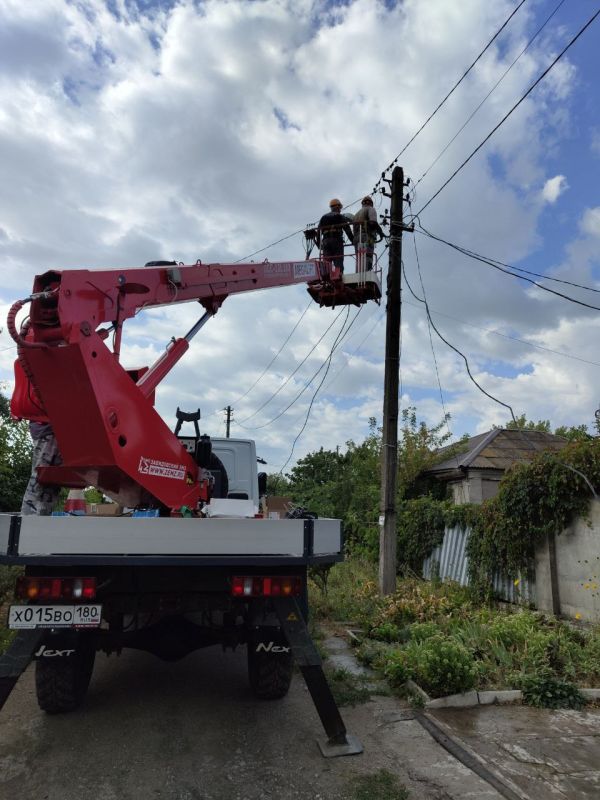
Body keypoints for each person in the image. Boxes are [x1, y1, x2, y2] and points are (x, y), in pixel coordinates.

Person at [10, 357, 62, 515]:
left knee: (52, 479)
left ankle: (41, 517)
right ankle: (27, 518)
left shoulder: (28, 362)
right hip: (47, 427)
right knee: (40, 476)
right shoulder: (47, 365)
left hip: (48, 427)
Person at [316, 198, 354, 273]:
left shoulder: (324, 217)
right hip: (336, 241)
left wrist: (319, 244)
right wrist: (353, 240)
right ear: (337, 207)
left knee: (326, 262)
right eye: (339, 208)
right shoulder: (340, 216)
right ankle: (339, 275)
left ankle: (326, 275)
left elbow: (318, 231)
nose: (340, 210)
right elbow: (347, 229)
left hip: (326, 242)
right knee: (338, 261)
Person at [353, 195, 384, 271]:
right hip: (366, 237)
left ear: (362, 204)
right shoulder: (371, 209)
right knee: (368, 256)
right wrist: (380, 232)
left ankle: (358, 273)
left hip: (356, 238)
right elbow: (373, 222)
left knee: (359, 258)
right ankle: (367, 272)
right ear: (371, 203)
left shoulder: (356, 215)